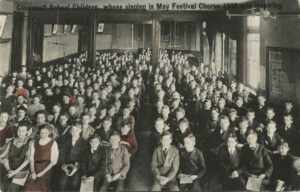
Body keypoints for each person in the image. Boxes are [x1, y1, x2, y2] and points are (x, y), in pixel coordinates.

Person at [24, 124, 59, 191]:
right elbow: (31, 159)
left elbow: (53, 162)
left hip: (46, 169)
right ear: (39, 133)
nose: (43, 135)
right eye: (41, 133)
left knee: (40, 188)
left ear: (49, 132)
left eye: (45, 133)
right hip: (34, 167)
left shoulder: (53, 143)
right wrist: (33, 172)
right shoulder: (34, 142)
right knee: (28, 187)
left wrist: (42, 173)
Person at [0, 123, 31, 192]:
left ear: (27, 132)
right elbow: (3, 154)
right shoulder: (11, 141)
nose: (20, 133)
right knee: (3, 185)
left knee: (12, 187)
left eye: (23, 131)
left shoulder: (30, 142)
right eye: (19, 130)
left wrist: (14, 172)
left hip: (21, 169)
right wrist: (9, 170)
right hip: (9, 167)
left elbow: (27, 160)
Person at [56, 124, 87, 191]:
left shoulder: (84, 143)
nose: (74, 132)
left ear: (80, 131)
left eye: (76, 130)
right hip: (65, 165)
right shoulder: (65, 141)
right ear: (70, 131)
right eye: (72, 130)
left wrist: (75, 169)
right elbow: (61, 155)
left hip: (77, 168)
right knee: (61, 183)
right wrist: (63, 166)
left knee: (74, 183)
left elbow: (83, 159)